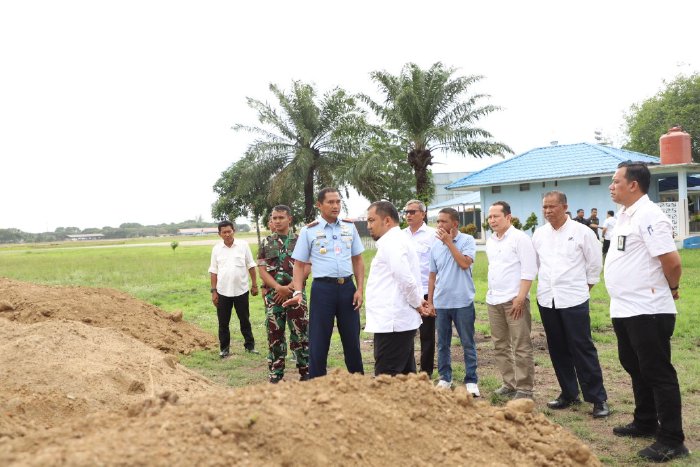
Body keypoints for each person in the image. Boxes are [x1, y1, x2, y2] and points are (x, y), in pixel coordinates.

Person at [605, 161, 688, 462]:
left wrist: (673, 286)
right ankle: (645, 421)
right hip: (625, 308)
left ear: (633, 184)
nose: (611, 186)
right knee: (633, 364)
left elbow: (672, 261)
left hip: (648, 308)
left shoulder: (649, 215)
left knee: (657, 372)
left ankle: (671, 439)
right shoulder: (625, 216)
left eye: (616, 181)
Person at [532, 191, 609, 418]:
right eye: (544, 207)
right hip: (547, 298)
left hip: (574, 299)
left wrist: (582, 290)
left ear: (565, 207)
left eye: (552, 207)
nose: (547, 211)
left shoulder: (582, 232)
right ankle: (568, 392)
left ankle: (598, 398)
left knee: (582, 348)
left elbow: (594, 266)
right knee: (557, 348)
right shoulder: (539, 234)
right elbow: (537, 265)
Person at [283, 188, 365, 378]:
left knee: (352, 339)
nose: (335, 206)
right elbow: (299, 264)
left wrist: (360, 289)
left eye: (338, 201)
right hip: (322, 290)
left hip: (347, 288)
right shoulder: (309, 231)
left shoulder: (349, 227)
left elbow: (358, 260)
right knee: (319, 340)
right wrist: (297, 292)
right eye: (330, 202)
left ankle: (359, 382)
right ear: (319, 205)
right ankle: (317, 384)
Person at [365, 201, 428, 376]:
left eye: (372, 220)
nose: (368, 226)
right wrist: (417, 300)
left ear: (387, 221)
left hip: (393, 323)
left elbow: (405, 278)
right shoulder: (396, 240)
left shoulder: (392, 242)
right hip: (395, 321)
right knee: (406, 377)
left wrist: (417, 303)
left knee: (387, 377)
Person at [485, 201, 538, 400]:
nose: (492, 220)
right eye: (490, 217)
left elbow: (529, 270)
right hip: (494, 300)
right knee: (500, 344)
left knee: (521, 345)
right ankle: (509, 383)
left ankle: (525, 389)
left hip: (515, 301)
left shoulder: (520, 238)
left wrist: (520, 297)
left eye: (496, 216)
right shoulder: (491, 240)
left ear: (508, 217)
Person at [428, 207, 480, 397]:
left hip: (463, 301)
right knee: (442, 343)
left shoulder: (467, 240)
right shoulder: (434, 246)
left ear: (455, 224)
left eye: (443, 221)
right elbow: (432, 276)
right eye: (438, 222)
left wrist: (449, 243)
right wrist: (431, 301)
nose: (439, 225)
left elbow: (465, 263)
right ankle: (445, 378)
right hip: (441, 303)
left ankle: (471, 380)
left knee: (467, 342)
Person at [257, 205, 309, 383]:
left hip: (297, 295)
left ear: (289, 219)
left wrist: (292, 286)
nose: (277, 221)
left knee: (301, 333)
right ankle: (276, 373)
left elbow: (308, 266)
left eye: (281, 217)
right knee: (274, 334)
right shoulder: (266, 242)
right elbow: (262, 270)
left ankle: (305, 370)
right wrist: (278, 288)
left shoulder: (301, 240)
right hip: (274, 296)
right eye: (274, 218)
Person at [209, 220, 259, 358]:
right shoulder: (216, 249)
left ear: (234, 231)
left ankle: (250, 346)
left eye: (229, 231)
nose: (227, 234)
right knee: (223, 322)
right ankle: (224, 349)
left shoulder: (243, 245)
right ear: (219, 234)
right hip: (223, 292)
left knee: (245, 320)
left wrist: (254, 285)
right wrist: (214, 291)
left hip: (241, 291)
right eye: (224, 232)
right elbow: (213, 271)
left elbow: (251, 265)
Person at [402, 199, 437, 377]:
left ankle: (426, 372)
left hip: (425, 291)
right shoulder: (400, 235)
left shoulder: (433, 235)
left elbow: (437, 266)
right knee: (405, 332)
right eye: (406, 212)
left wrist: (432, 296)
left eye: (413, 212)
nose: (408, 215)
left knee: (427, 335)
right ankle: (407, 370)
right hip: (406, 293)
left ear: (423, 214)